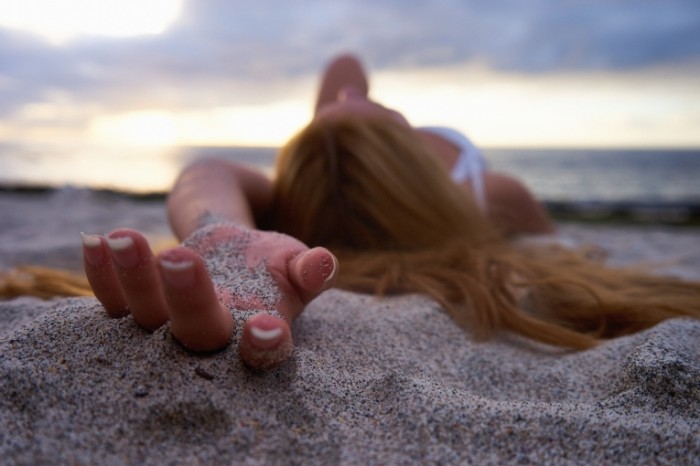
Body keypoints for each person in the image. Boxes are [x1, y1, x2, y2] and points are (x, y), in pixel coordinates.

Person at [81, 54, 700, 370]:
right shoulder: (485, 192)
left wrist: (220, 224)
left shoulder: (293, 191)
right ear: (402, 153)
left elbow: (203, 175)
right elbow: (549, 244)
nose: (350, 93)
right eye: (350, 109)